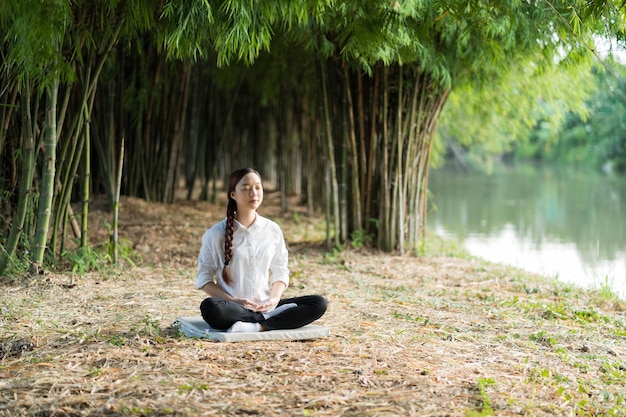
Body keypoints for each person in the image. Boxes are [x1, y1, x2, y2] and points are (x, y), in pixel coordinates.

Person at [196, 168, 327, 333]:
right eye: (245, 188)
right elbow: (204, 279)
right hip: (235, 308)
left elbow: (280, 271)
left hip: (267, 305)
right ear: (232, 194)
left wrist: (273, 299)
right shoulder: (215, 234)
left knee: (318, 303)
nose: (253, 193)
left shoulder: (272, 229)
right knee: (210, 307)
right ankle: (272, 320)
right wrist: (234, 300)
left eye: (258, 187)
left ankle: (260, 325)